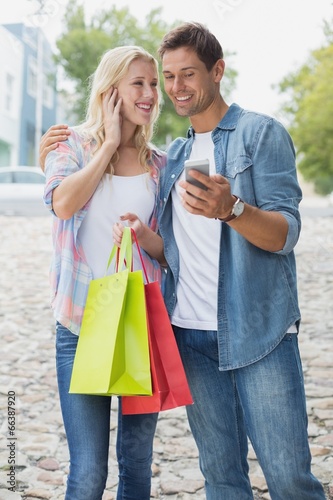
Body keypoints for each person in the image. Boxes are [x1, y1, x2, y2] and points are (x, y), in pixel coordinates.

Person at [41, 23, 326, 499]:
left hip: (218, 329)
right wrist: (112, 158)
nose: (169, 89)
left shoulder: (226, 143)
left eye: (180, 75)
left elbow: (282, 234)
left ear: (217, 72)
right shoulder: (139, 154)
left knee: (284, 477)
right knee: (203, 477)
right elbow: (77, 210)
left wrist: (227, 210)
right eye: (158, 78)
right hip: (138, 329)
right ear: (112, 90)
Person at [40, 45, 166, 500]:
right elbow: (62, 203)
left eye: (153, 84)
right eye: (139, 83)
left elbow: (172, 253)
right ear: (111, 90)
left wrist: (144, 237)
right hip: (80, 322)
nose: (151, 93)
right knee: (89, 471)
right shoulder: (70, 144)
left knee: (136, 465)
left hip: (140, 323)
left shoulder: (159, 165)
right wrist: (109, 143)